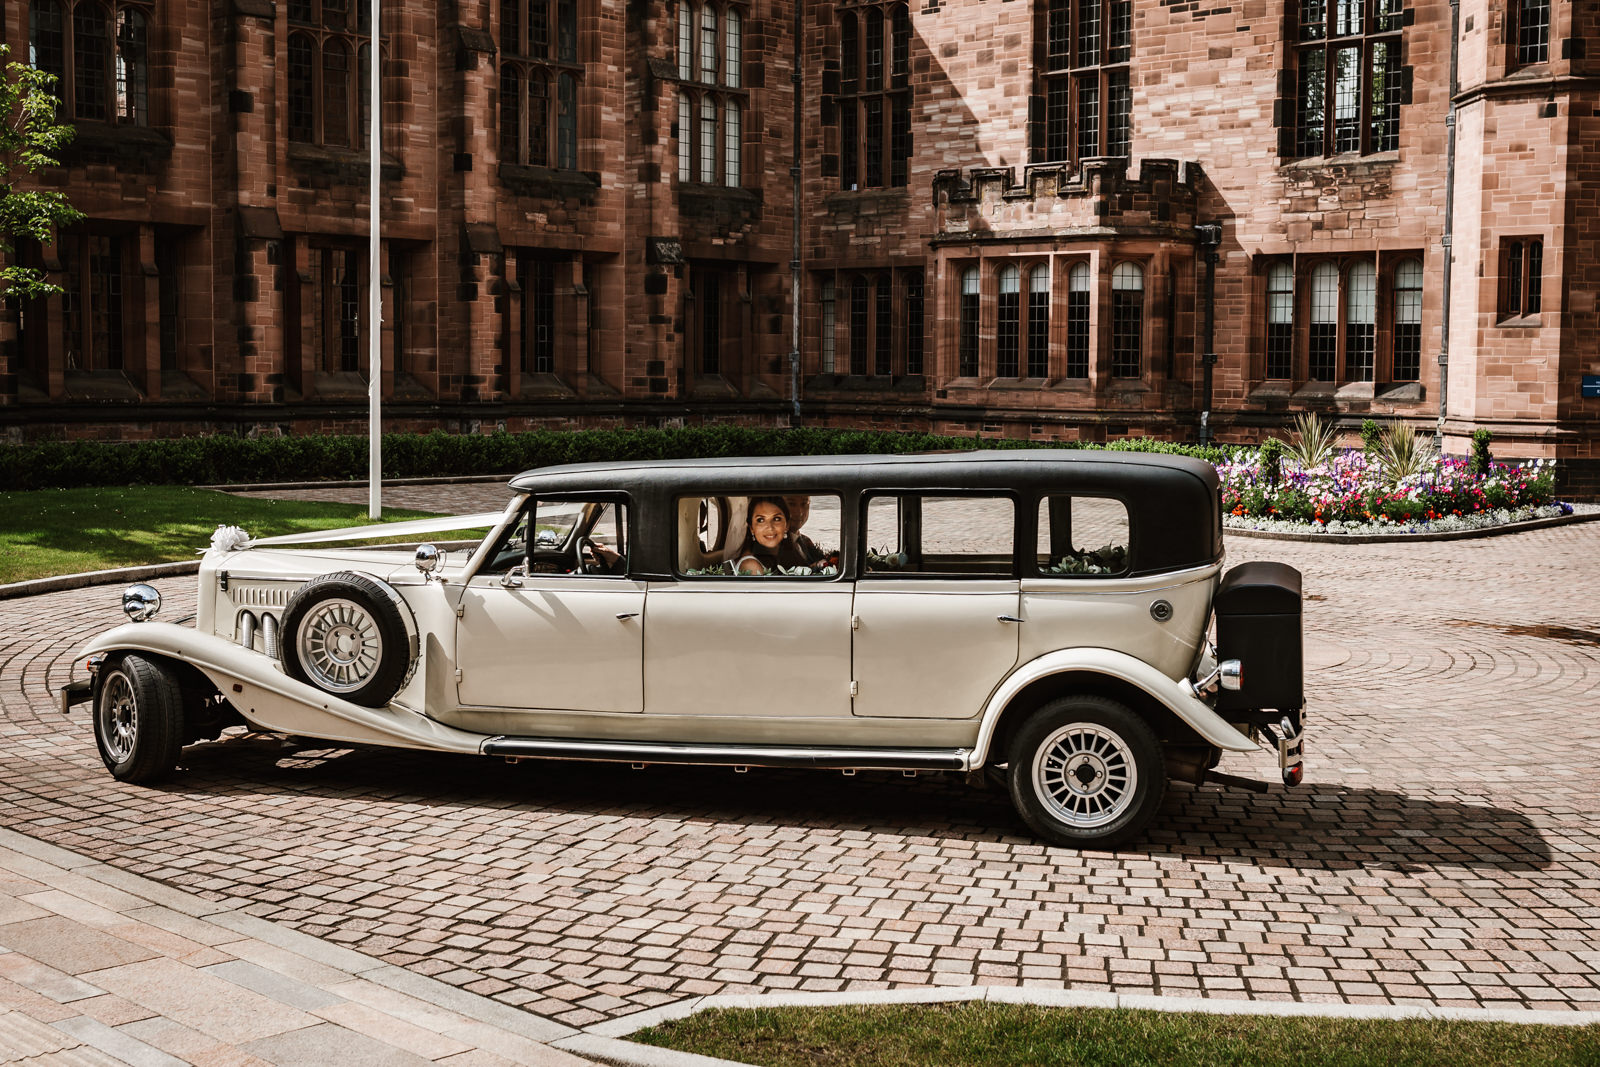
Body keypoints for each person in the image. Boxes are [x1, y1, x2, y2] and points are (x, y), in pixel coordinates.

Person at [735, 497, 812, 575]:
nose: (770, 528)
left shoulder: (788, 554)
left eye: (776, 519)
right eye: (760, 520)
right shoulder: (751, 566)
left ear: (786, 525)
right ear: (752, 528)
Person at [782, 494, 830, 566]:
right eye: (791, 504)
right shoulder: (773, 544)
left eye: (804, 504)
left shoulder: (806, 540)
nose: (799, 512)